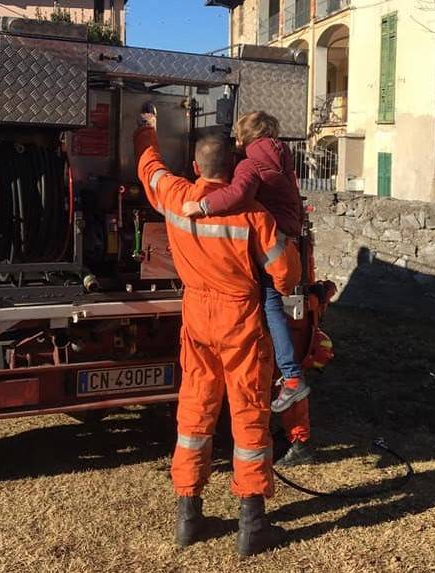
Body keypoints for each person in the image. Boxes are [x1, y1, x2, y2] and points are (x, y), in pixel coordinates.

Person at [134, 111, 302, 557]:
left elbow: (149, 169)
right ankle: (253, 523)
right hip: (240, 322)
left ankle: (188, 516)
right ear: (234, 170)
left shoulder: (175, 196)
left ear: (195, 167)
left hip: (197, 317)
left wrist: (144, 129)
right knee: (249, 417)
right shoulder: (253, 215)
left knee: (194, 415)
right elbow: (286, 276)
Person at [182, 111, 310, 415]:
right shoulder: (281, 155)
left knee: (269, 305)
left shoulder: (251, 165)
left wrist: (202, 205)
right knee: (273, 305)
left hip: (272, 240)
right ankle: (287, 374)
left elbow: (238, 195)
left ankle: (291, 377)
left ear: (245, 137)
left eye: (238, 136)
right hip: (287, 235)